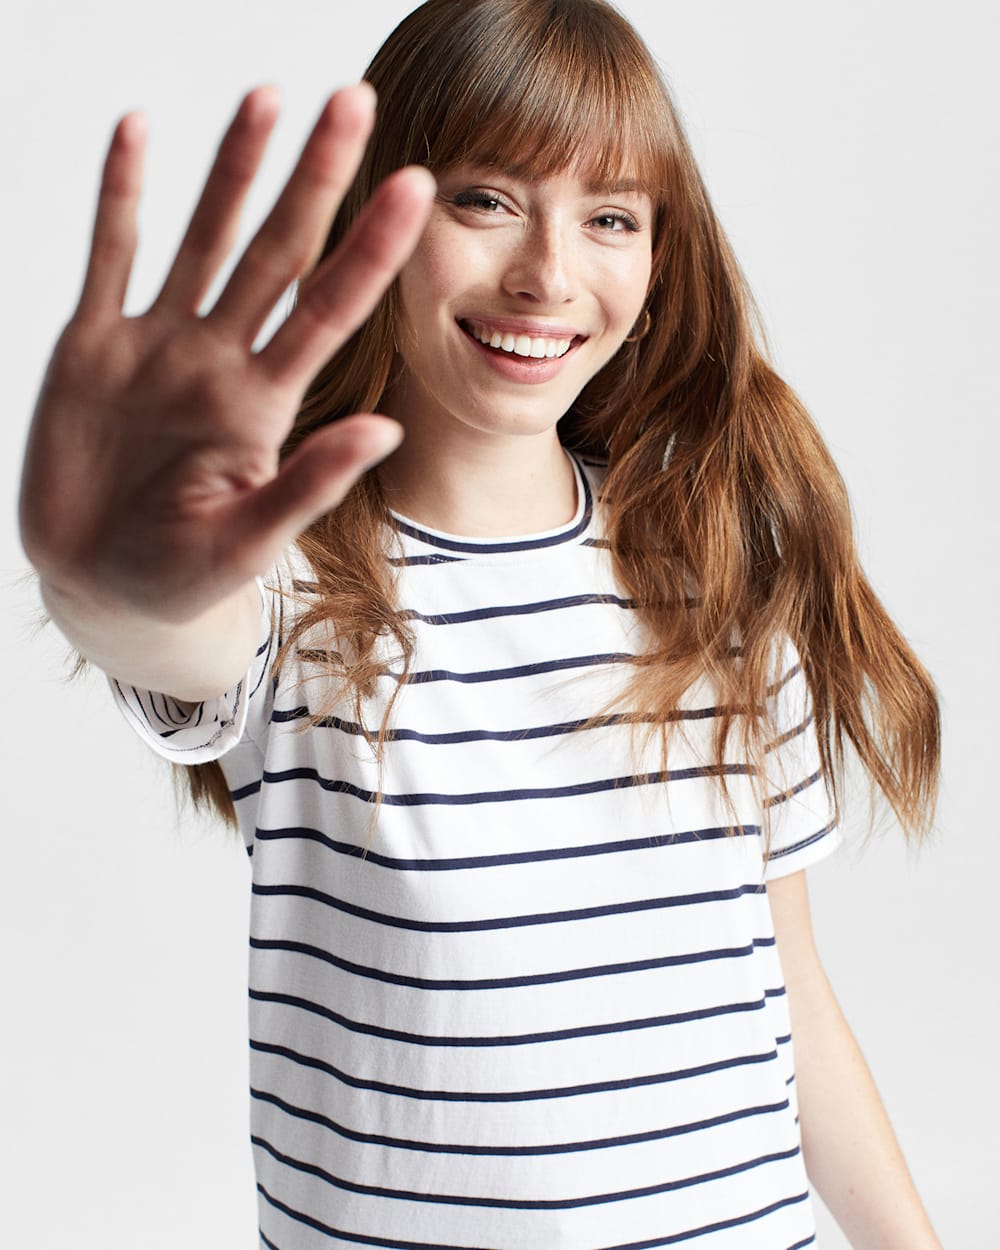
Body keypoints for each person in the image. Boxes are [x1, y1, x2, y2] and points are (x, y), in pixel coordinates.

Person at [19, 0, 943, 1246]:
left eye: (610, 217)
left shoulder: (714, 573)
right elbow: (163, 629)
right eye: (485, 199)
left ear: (660, 260)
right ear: (377, 224)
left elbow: (790, 994)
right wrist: (99, 581)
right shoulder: (296, 588)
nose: (548, 274)